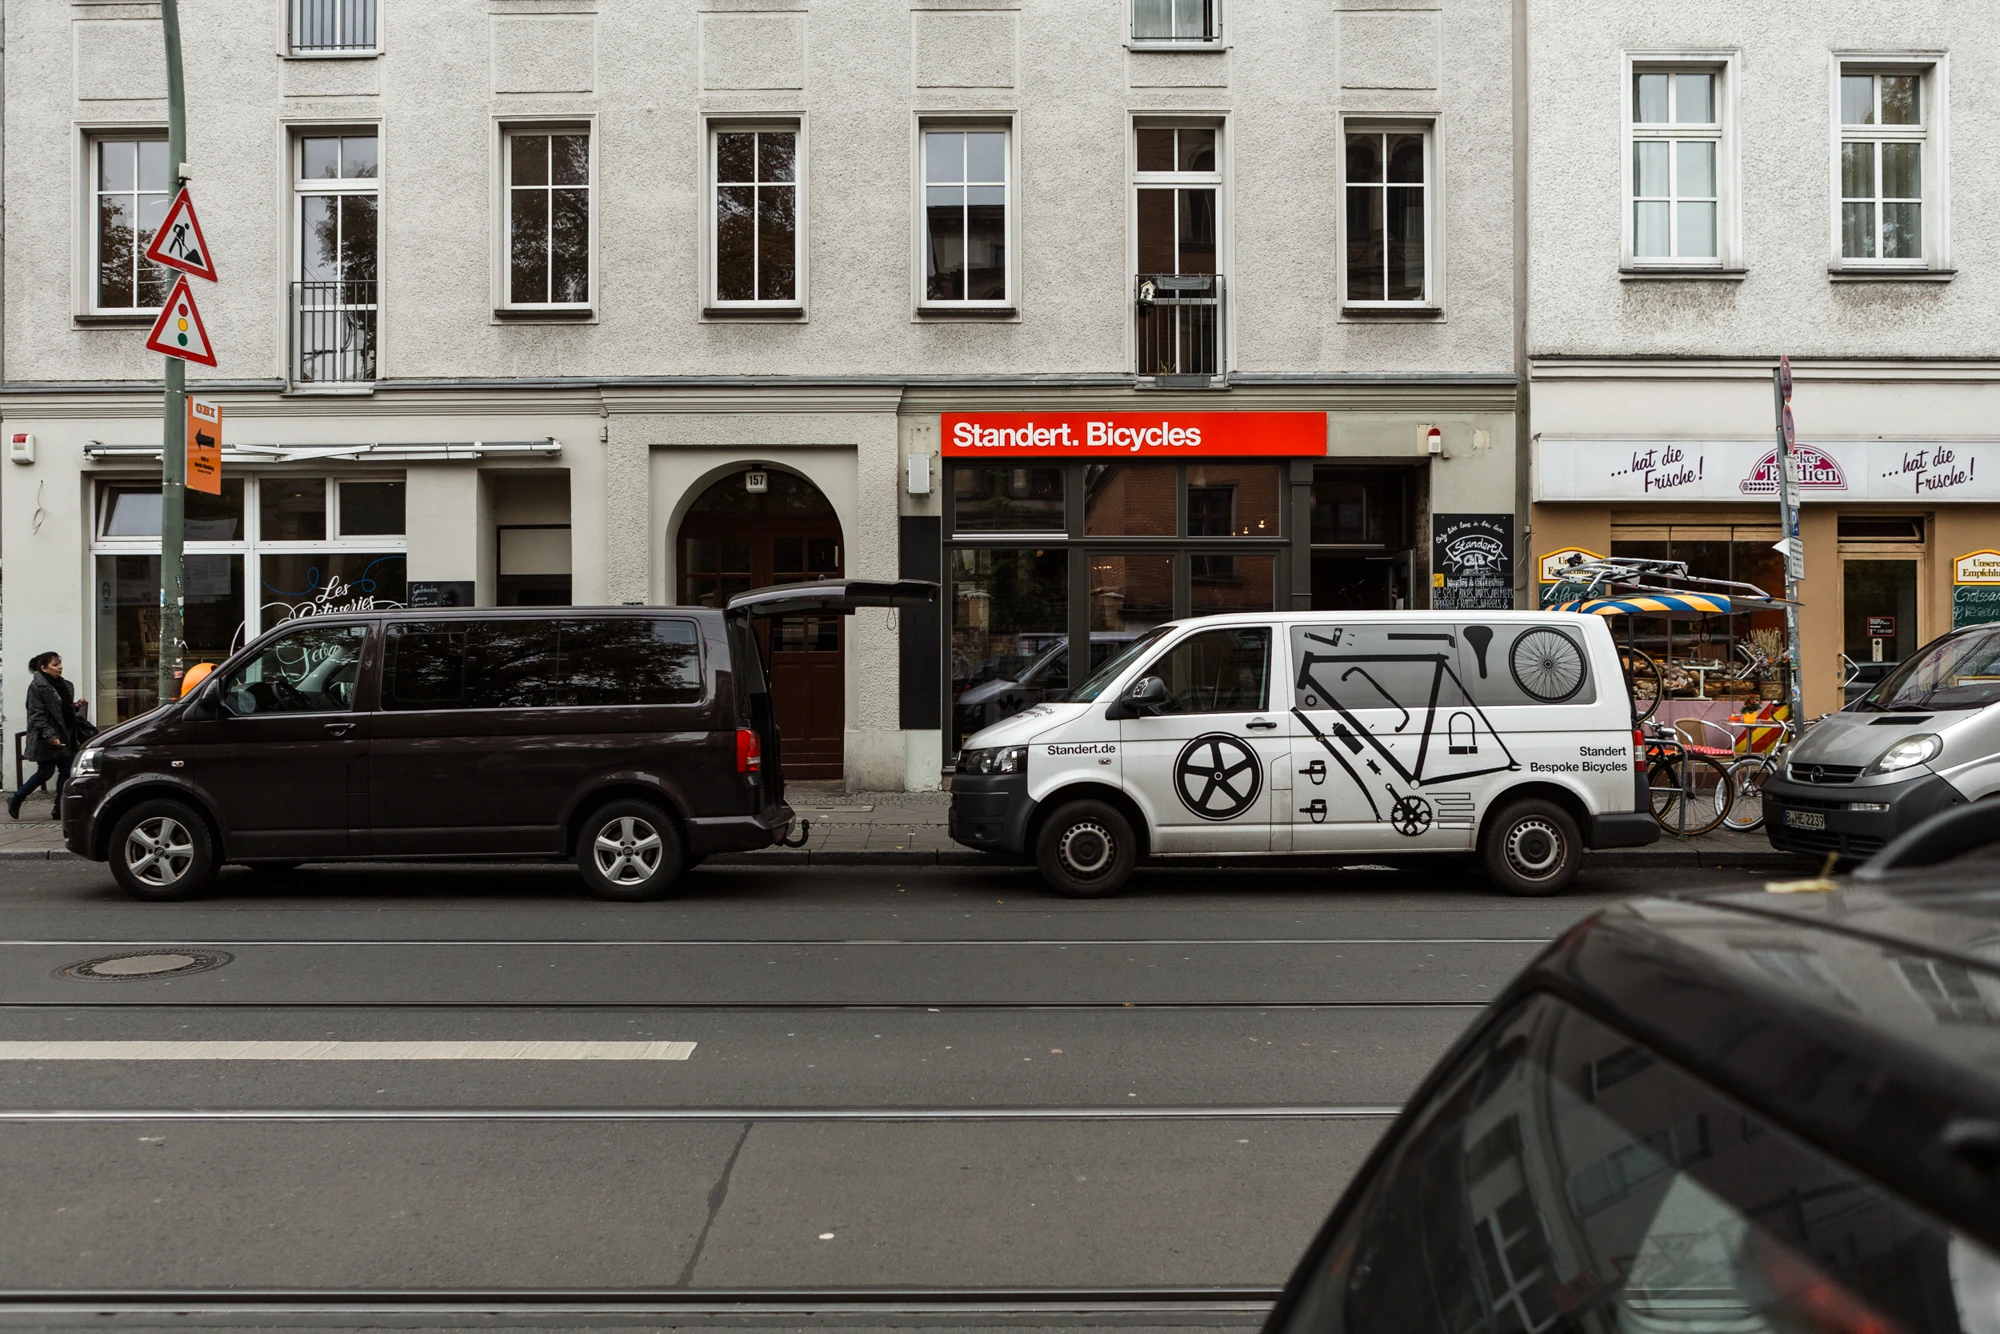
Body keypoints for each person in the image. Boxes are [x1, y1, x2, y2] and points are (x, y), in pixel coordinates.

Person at [9, 652, 85, 820]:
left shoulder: (65, 685)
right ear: (43, 668)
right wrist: (50, 736)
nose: (60, 667)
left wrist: (75, 706)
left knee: (66, 771)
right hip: (45, 738)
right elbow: (36, 715)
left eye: (60, 664)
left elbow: (60, 709)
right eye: (55, 665)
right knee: (45, 773)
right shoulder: (37, 687)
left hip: (65, 736)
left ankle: (59, 809)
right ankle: (16, 797)